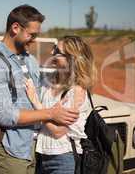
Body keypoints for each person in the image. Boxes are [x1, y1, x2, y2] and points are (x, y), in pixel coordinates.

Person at [0, 5, 79, 174]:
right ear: (15, 28)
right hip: (12, 151)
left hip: (35, 149)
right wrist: (50, 114)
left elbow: (38, 96)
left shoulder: (30, 60)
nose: (34, 40)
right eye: (32, 35)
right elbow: (5, 115)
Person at [25, 35, 97, 174]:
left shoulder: (76, 91)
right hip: (41, 155)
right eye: (54, 48)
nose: (52, 53)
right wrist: (50, 114)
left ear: (71, 59)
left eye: (57, 51)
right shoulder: (48, 82)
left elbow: (58, 132)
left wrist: (37, 104)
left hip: (63, 159)